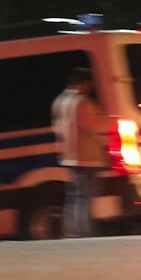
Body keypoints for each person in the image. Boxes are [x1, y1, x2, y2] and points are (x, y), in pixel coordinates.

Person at [52, 66, 106, 238]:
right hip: (87, 158)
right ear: (83, 83)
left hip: (69, 158)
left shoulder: (60, 101)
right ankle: (83, 233)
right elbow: (94, 126)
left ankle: (72, 232)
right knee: (85, 198)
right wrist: (114, 123)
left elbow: (58, 129)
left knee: (74, 197)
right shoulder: (82, 103)